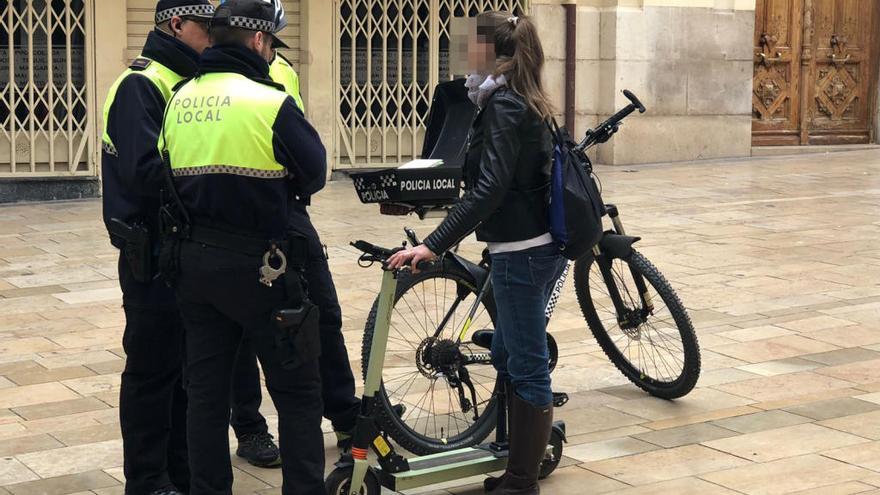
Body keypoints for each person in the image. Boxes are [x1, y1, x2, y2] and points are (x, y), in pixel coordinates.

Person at [388, 11, 564, 495]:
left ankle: (522, 480)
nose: (459, 54)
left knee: (525, 363)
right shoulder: (514, 99)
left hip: (522, 254)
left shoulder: (505, 105)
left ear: (490, 52)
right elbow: (494, 184)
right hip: (528, 248)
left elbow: (489, 189)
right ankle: (516, 462)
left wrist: (433, 244)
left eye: (467, 46)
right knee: (510, 353)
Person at [157, 0, 328, 492]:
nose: (271, 50)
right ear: (258, 41)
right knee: (297, 393)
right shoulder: (269, 102)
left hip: (193, 267)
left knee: (207, 396)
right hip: (263, 270)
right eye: (272, 42)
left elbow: (164, 172)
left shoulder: (179, 98)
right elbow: (314, 174)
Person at [101, 2, 213, 493]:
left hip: (186, 250)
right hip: (150, 250)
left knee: (186, 373)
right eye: (205, 28)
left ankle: (179, 473)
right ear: (176, 26)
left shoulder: (190, 84)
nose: (213, 37)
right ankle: (147, 480)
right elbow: (144, 173)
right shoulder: (141, 85)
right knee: (152, 371)